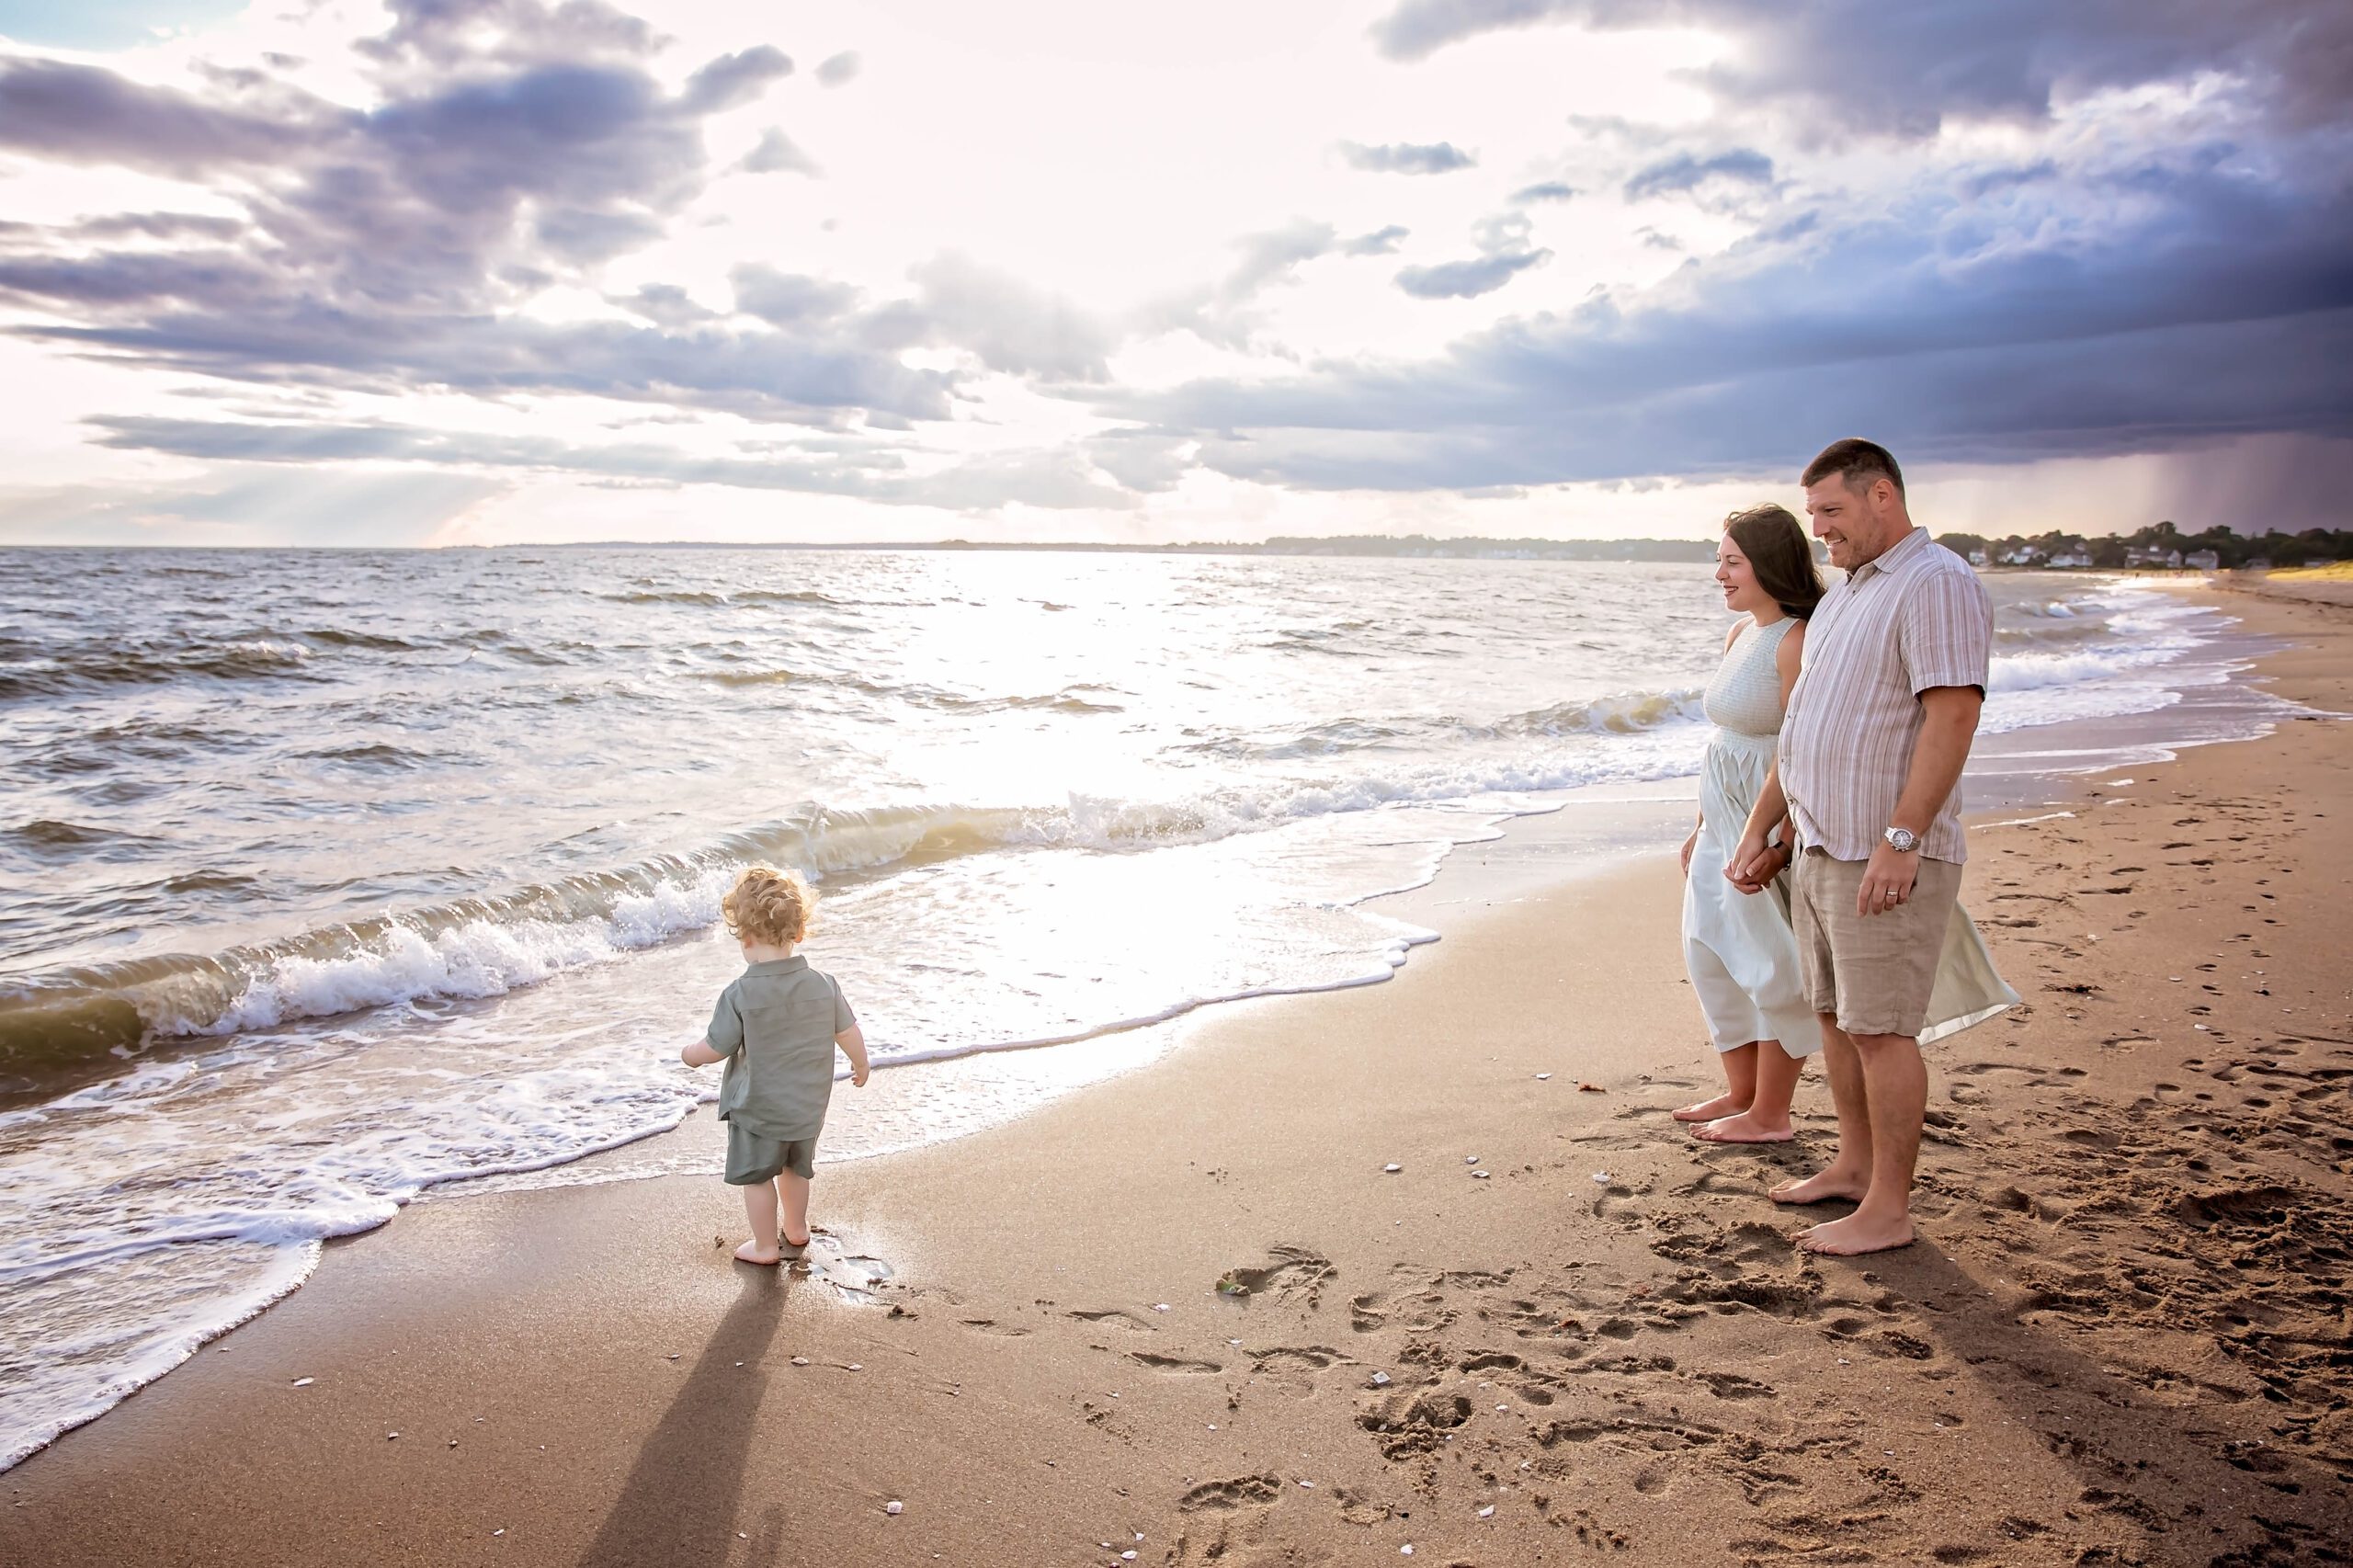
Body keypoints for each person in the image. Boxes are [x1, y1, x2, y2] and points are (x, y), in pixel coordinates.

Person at [1729, 438, 2017, 1256]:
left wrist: (1903, 838)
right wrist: (1766, 827)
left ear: (1882, 495)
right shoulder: (1849, 594)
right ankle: (1853, 1170)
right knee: (1836, 1018)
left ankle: (1891, 1208)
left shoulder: (1937, 585)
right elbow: (1806, 728)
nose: (1819, 529)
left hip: (1882, 850)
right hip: (1819, 845)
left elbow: (1953, 716)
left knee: (1883, 1030)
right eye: (1813, 513)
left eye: (1832, 511)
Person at [1673, 504, 1822, 1143]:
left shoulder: (1798, 639)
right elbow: (1730, 740)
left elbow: (1799, 747)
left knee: (1767, 961)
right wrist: (1701, 822)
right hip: (1721, 817)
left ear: (1768, 564)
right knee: (1707, 952)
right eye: (1720, 561)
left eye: (1732, 561)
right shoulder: (1741, 636)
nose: (1721, 575)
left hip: (1763, 821)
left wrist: (1778, 840)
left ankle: (1772, 1113)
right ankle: (1742, 1092)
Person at [681, 865, 870, 1265]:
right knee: (796, 1169)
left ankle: (766, 1246)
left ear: (744, 937)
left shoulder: (739, 994)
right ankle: (797, 1229)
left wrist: (690, 1055)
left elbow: (717, 1047)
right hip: (806, 1107)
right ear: (798, 933)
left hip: (758, 1111)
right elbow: (848, 1031)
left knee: (759, 1177)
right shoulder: (823, 984)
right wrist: (861, 1062)